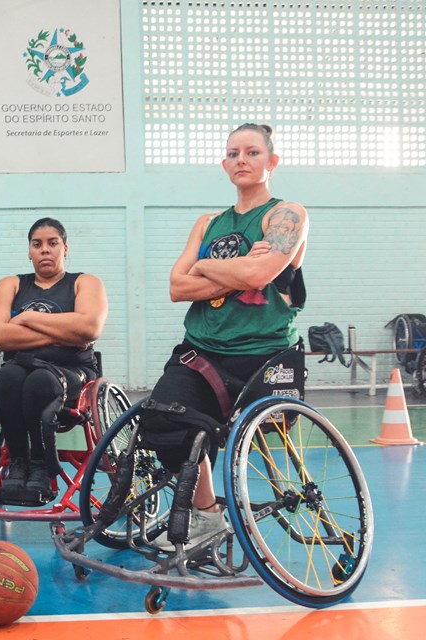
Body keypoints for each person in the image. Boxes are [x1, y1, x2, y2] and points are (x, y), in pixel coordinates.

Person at [144, 123, 308, 550]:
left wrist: (203, 267)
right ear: (224, 163)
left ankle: (208, 514)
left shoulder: (286, 215)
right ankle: (208, 516)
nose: (242, 160)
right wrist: (236, 270)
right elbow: (177, 288)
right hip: (200, 352)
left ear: (271, 161)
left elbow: (258, 273)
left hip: (260, 355)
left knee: (212, 429)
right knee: (161, 422)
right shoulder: (208, 222)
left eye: (253, 153)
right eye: (233, 153)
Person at [0, 218, 108, 504]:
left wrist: (26, 320)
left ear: (65, 248)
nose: (45, 250)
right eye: (37, 244)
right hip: (20, 367)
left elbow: (89, 329)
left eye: (53, 243)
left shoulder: (84, 283)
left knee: (39, 382)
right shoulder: (11, 284)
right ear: (29, 251)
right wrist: (63, 333)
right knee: (7, 377)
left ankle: (39, 466)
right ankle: (19, 462)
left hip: (72, 370)